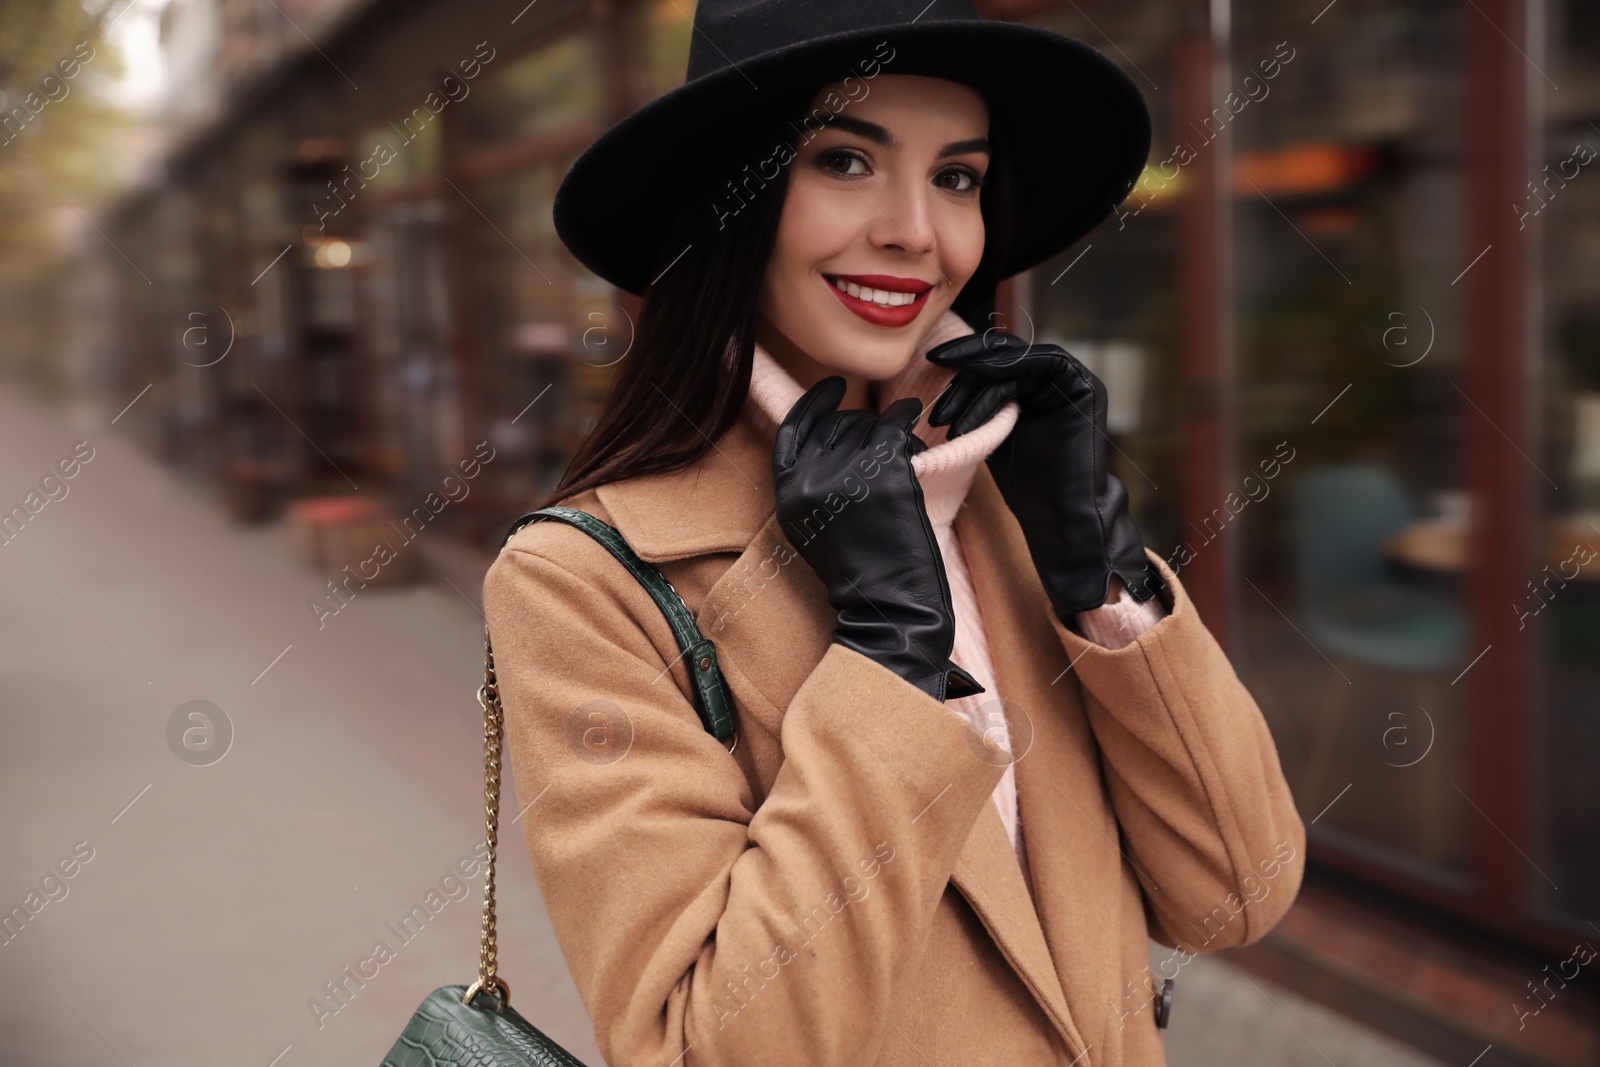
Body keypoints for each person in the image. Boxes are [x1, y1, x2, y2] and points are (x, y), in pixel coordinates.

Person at [482, 2, 1305, 1064]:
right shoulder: (586, 581)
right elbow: (705, 1048)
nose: (917, 231)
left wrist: (1097, 569)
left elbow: (1236, 894)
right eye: (844, 160)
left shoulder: (999, 494)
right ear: (730, 199)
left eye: (957, 177)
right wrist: (887, 653)